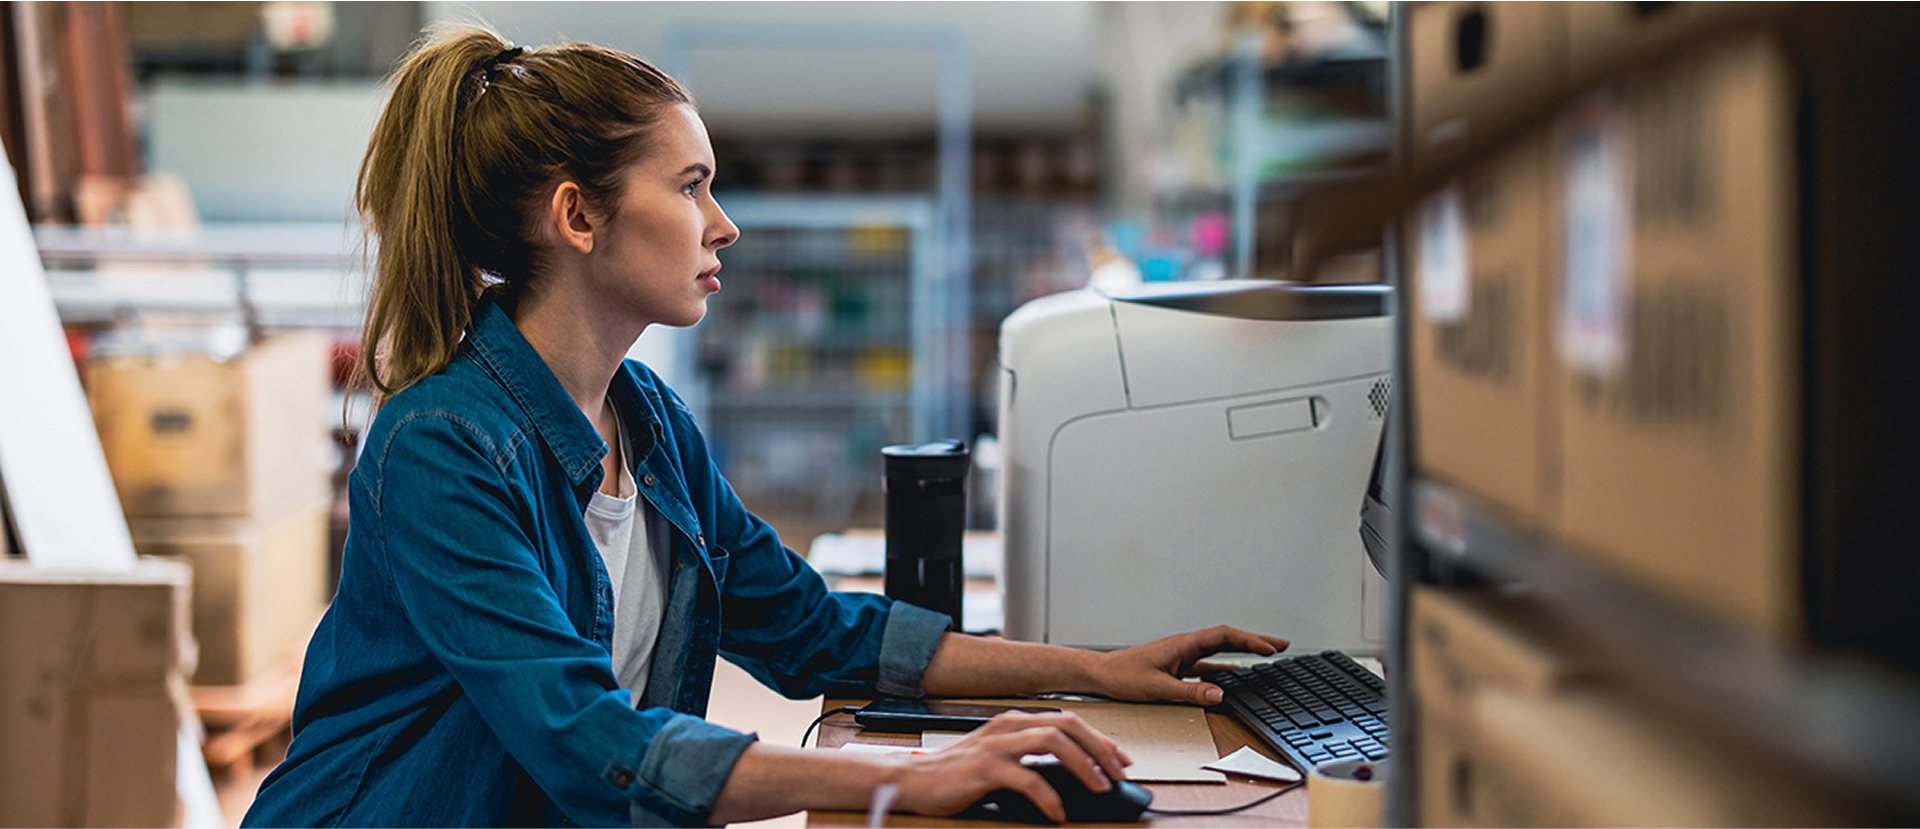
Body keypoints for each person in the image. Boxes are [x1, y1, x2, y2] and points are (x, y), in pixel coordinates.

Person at [242, 23, 1290, 829]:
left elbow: (811, 628)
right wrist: (905, 780)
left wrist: (1095, 669)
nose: (724, 223)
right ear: (579, 216)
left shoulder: (648, 423)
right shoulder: (443, 447)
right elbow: (587, 740)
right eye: (690, 186)